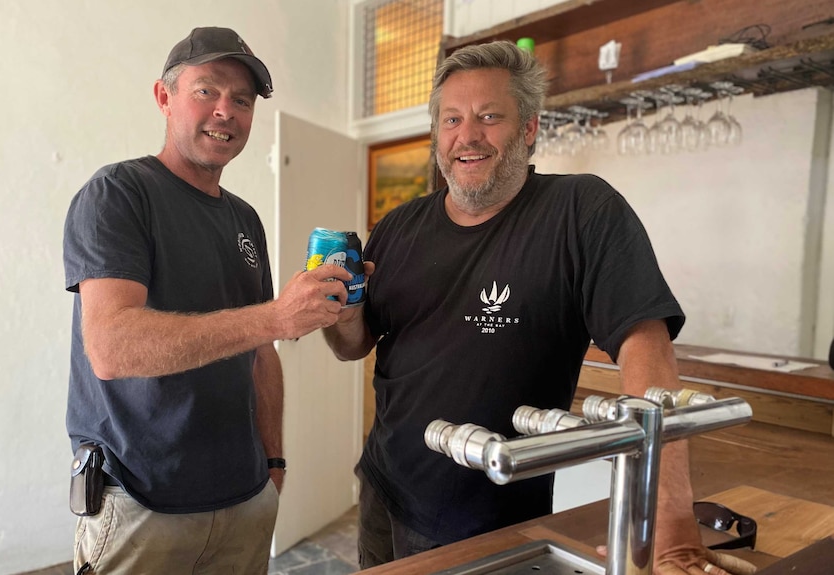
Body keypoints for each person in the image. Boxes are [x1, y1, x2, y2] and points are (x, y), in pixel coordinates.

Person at [323, 40, 757, 575]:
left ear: (528, 128)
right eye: (452, 119)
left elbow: (646, 354)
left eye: (489, 117)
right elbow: (355, 346)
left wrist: (667, 527)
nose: (468, 135)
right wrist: (342, 317)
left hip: (486, 515)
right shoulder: (396, 227)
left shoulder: (580, 211)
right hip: (383, 485)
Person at [62, 27, 351, 575]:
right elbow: (112, 347)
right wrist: (274, 315)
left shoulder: (244, 219)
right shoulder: (118, 195)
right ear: (164, 97)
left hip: (245, 499)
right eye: (207, 91)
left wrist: (273, 462)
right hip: (141, 503)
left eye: (241, 100)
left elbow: (262, 351)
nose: (226, 111)